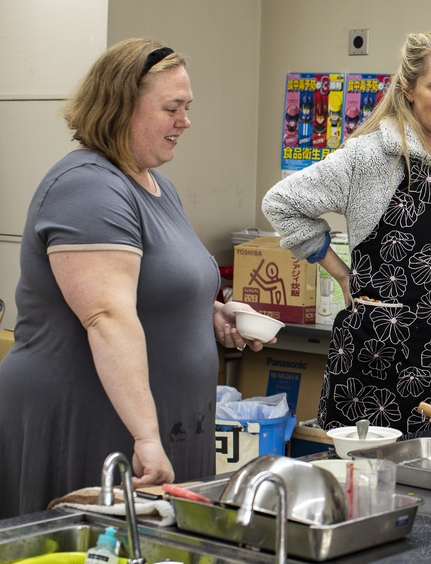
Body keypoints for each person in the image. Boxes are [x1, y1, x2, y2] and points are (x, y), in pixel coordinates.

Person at [0, 39, 275, 518]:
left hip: (160, 424)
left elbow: (153, 287)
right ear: (121, 106)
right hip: (95, 423)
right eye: (172, 108)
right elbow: (106, 315)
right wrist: (145, 434)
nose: (185, 121)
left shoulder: (154, 184)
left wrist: (212, 312)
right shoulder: (87, 187)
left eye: (187, 107)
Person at [263, 30, 431, 434]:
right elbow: (282, 203)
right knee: (369, 485)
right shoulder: (369, 158)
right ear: (409, 89)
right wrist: (342, 274)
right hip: (382, 361)